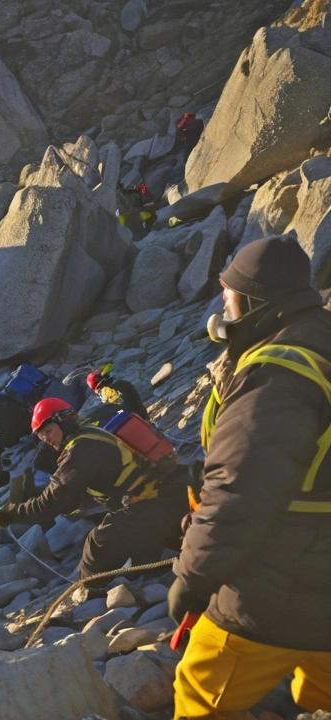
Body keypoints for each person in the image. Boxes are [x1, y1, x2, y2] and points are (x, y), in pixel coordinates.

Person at [169, 235, 331, 716]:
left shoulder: (275, 372)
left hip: (275, 590)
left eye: (228, 293)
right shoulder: (320, 339)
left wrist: (192, 579)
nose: (222, 303)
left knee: (198, 696)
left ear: (253, 300)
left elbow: (239, 491)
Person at [0, 399, 187, 581]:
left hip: (154, 505)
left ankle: (97, 595)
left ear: (63, 421)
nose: (46, 439)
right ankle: (150, 569)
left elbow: (52, 502)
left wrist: (13, 514)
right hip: (161, 499)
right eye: (42, 436)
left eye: (48, 430)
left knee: (96, 546)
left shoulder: (81, 450)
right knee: (125, 536)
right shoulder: (90, 434)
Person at [85, 363, 150, 420]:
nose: (106, 376)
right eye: (99, 377)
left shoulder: (107, 391)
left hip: (134, 416)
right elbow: (122, 405)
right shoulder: (107, 391)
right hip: (136, 416)